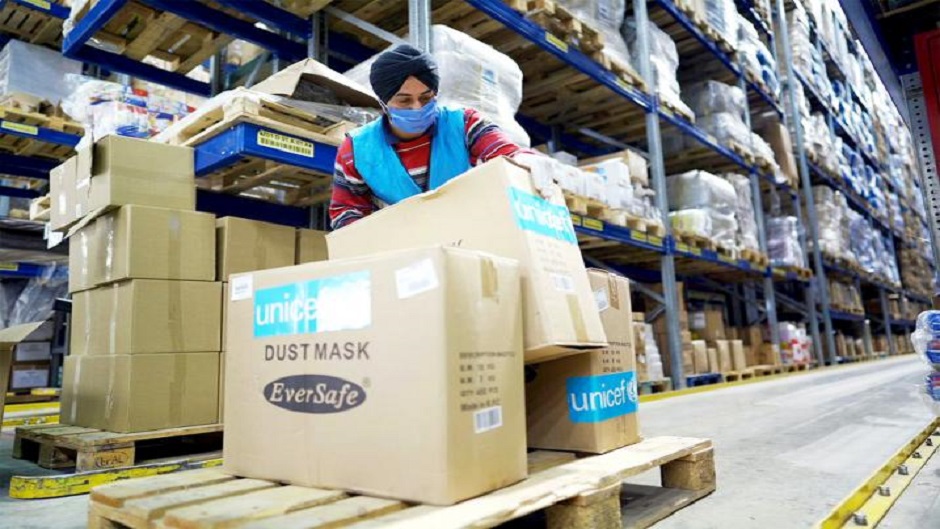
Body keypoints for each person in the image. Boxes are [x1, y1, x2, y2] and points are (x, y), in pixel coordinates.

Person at [329, 44, 533, 229]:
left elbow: (505, 152)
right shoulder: (356, 149)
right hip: (405, 243)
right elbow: (346, 212)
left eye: (426, 98)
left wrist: (525, 160)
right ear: (383, 103)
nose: (417, 108)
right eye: (404, 101)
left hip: (469, 231)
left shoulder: (464, 124)